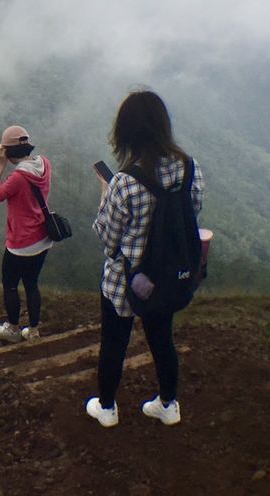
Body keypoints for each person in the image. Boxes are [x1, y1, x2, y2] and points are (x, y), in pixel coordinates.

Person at [85, 90, 204, 429]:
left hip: (126, 281)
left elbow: (107, 236)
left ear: (127, 133)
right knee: (162, 338)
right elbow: (191, 214)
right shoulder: (190, 169)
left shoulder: (123, 183)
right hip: (167, 276)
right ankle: (168, 404)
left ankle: (107, 408)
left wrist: (105, 196)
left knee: (114, 343)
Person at [0, 125, 54, 343]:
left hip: (21, 242)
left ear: (7, 151)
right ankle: (33, 331)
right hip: (43, 237)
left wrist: (0, 165)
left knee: (10, 284)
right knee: (32, 284)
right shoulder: (45, 164)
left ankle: (13, 329)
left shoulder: (17, 178)